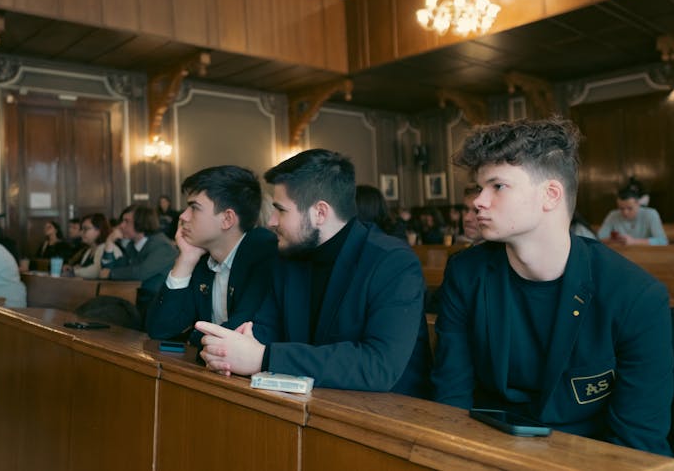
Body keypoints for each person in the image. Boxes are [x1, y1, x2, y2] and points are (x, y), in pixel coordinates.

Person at [431, 118, 673, 456]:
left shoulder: (635, 296)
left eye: (497, 186)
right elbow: (451, 399)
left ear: (550, 195)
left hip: (588, 458)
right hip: (484, 448)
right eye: (478, 187)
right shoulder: (466, 272)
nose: (478, 201)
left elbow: (638, 444)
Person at [196, 149, 431, 398]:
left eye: (281, 210)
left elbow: (378, 365)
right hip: (312, 405)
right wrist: (226, 351)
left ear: (320, 212)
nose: (271, 221)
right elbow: (263, 331)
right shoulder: (288, 259)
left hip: (389, 415)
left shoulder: (392, 262)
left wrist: (264, 358)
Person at [145, 166, 277, 346]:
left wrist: (194, 336)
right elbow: (160, 330)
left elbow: (235, 337)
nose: (183, 216)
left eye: (194, 207)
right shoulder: (203, 259)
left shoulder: (264, 251)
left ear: (227, 219)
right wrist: (186, 260)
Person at [100, 205, 178, 317]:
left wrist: (110, 274)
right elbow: (108, 269)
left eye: (126, 221)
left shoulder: (162, 245)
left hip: (161, 306)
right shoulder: (133, 245)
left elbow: (141, 272)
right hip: (139, 301)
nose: (121, 226)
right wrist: (109, 242)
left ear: (141, 222)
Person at [597, 185, 668, 245]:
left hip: (646, 254)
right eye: (621, 208)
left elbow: (663, 241)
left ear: (638, 204)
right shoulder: (613, 215)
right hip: (621, 255)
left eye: (629, 208)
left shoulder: (651, 214)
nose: (625, 212)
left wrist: (634, 241)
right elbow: (598, 239)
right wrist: (614, 240)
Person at [67, 213, 122, 278]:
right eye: (81, 229)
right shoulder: (89, 250)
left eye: (86, 229)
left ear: (99, 230)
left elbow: (96, 271)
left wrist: (74, 271)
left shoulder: (106, 247)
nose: (81, 232)